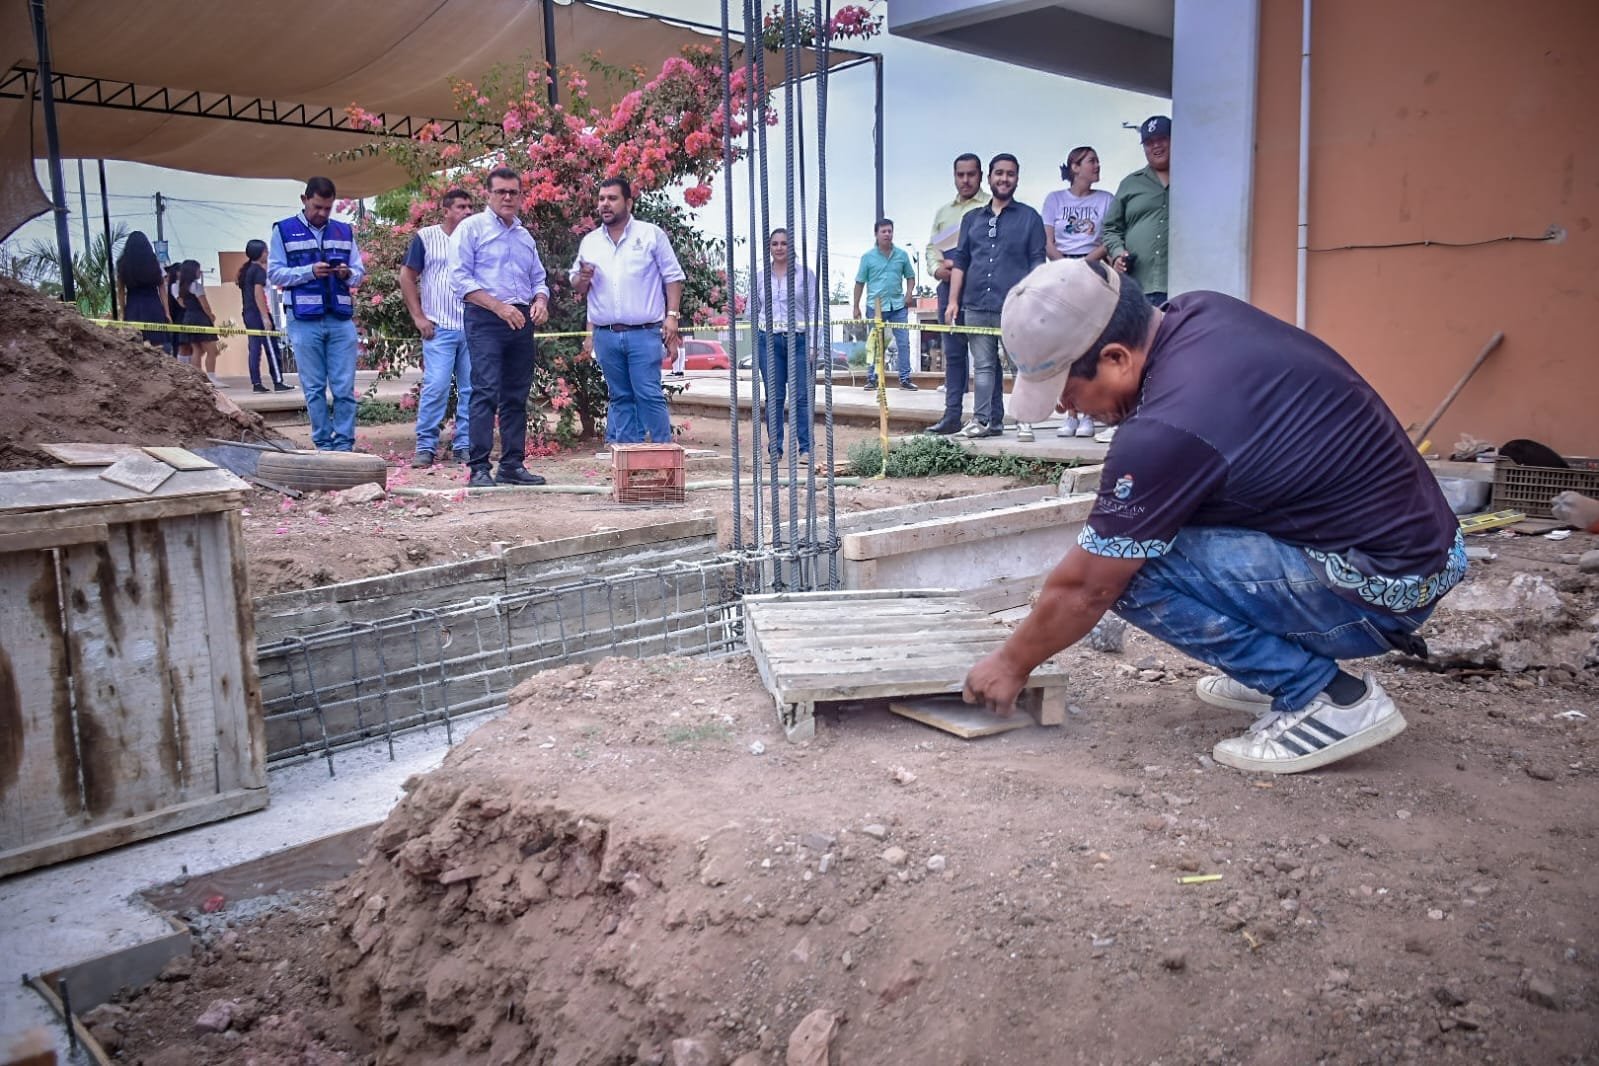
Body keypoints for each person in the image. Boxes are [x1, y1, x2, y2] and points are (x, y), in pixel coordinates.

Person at [962, 257, 1467, 775]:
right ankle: (1274, 666)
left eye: (1067, 392)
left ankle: (1324, 696)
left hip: (1381, 586)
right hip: (1423, 550)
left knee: (1129, 572)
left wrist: (1010, 663)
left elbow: (1086, 588)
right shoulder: (1201, 313)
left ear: (1115, 358)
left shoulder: (1165, 429)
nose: (1068, 410)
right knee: (1148, 525)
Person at [450, 166, 551, 487]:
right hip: (485, 316)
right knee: (484, 391)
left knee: (516, 395)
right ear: (488, 194)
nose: (507, 197)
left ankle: (512, 465)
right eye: (501, 192)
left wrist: (541, 301)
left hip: (520, 319)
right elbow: (460, 279)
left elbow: (539, 278)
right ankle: (479, 468)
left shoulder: (524, 236)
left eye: (513, 192)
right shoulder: (471, 228)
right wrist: (498, 306)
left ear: (520, 196)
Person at [571, 177, 685, 445]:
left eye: (612, 198)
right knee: (620, 397)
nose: (605, 204)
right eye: (601, 199)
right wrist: (582, 278)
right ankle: (627, 456)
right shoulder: (590, 242)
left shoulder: (650, 235)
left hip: (644, 333)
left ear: (629, 203)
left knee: (648, 394)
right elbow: (578, 284)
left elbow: (673, 277)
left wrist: (672, 316)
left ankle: (663, 454)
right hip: (606, 335)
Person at [944, 153, 1046, 441]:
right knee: (983, 366)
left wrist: (1033, 301)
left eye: (1010, 174)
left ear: (1017, 179)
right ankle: (982, 421)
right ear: (989, 178)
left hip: (1015, 307)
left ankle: (1025, 420)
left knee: (1020, 366)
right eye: (999, 173)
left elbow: (1038, 263)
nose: (1004, 178)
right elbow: (961, 261)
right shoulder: (971, 219)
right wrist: (953, 301)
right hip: (976, 304)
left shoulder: (1029, 218)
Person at [269, 175, 364, 452]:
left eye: (327, 208)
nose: (322, 213)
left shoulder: (344, 232)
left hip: (340, 318)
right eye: (317, 207)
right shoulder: (283, 230)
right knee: (313, 388)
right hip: (303, 319)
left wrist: (347, 273)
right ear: (304, 200)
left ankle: (344, 444)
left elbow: (359, 273)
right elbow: (275, 273)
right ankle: (323, 444)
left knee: (344, 387)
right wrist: (309, 271)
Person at [1099, 116, 1172, 446]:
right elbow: (1111, 229)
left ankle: (1168, 423)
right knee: (1135, 357)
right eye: (1149, 142)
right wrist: (1117, 253)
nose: (1156, 146)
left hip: (1183, 284)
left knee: (1175, 358)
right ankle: (1127, 421)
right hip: (1141, 288)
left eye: (1162, 139)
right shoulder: (1131, 184)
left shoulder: (1195, 177)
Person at [1043, 146, 1113, 439]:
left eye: (1097, 161)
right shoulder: (1055, 199)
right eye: (1091, 161)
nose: (1097, 166)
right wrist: (1066, 266)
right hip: (1062, 271)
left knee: (1091, 345)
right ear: (1075, 167)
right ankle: (1070, 412)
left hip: (1093, 269)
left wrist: (1085, 264)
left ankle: (1089, 413)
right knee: (1067, 348)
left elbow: (1109, 238)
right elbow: (1047, 241)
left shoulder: (1106, 200)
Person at [401, 187, 475, 467]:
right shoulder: (427, 237)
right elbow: (406, 277)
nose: (467, 212)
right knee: (436, 387)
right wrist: (418, 316)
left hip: (472, 327)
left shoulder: (476, 238)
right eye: (461, 207)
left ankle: (464, 446)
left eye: (470, 207)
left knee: (472, 390)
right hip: (439, 327)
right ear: (446, 211)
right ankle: (425, 448)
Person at [923, 153, 990, 435]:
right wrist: (937, 270)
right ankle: (952, 416)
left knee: (986, 355)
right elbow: (932, 249)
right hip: (947, 288)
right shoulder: (944, 213)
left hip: (980, 290)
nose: (965, 180)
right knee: (952, 354)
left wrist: (963, 269)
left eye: (971, 174)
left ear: (980, 176)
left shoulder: (990, 207)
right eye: (960, 175)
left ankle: (989, 417)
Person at [749, 227, 819, 462]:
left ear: (792, 247)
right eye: (775, 243)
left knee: (801, 396)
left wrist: (813, 344)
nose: (779, 248)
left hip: (799, 340)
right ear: (769, 248)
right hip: (769, 341)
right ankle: (775, 449)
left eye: (784, 243)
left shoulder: (805, 274)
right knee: (774, 397)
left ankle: (806, 449)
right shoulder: (760, 277)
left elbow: (814, 310)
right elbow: (752, 311)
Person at [852, 219, 917, 391]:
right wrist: (856, 306)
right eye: (884, 231)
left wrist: (909, 294)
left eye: (890, 231)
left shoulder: (902, 255)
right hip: (876, 307)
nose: (887, 234)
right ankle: (872, 378)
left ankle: (905, 378)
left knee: (903, 343)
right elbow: (859, 282)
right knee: (875, 343)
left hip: (898, 306)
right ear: (876, 234)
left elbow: (910, 276)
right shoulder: (868, 257)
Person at [237, 239, 291, 393]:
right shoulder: (258, 271)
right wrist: (265, 316)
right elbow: (258, 294)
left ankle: (256, 383)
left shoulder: (247, 270)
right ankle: (278, 382)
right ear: (260, 253)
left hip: (248, 313)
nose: (268, 254)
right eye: (266, 251)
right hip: (258, 313)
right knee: (271, 347)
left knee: (254, 349)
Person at [114, 230, 170, 350]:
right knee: (158, 346)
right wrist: (167, 311)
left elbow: (120, 290)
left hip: (133, 306)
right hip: (153, 305)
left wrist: (123, 311)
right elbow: (162, 288)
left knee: (135, 346)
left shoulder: (123, 264)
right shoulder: (154, 262)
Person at [176, 259, 220, 382]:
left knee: (197, 349)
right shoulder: (196, 286)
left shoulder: (181, 287)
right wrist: (210, 316)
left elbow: (182, 304)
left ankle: (197, 378)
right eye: (198, 269)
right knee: (212, 350)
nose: (200, 272)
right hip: (200, 319)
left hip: (189, 318)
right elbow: (204, 305)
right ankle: (211, 377)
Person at [165, 263, 190, 362]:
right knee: (182, 345)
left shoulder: (183, 285)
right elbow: (182, 303)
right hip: (180, 318)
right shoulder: (175, 286)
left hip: (180, 318)